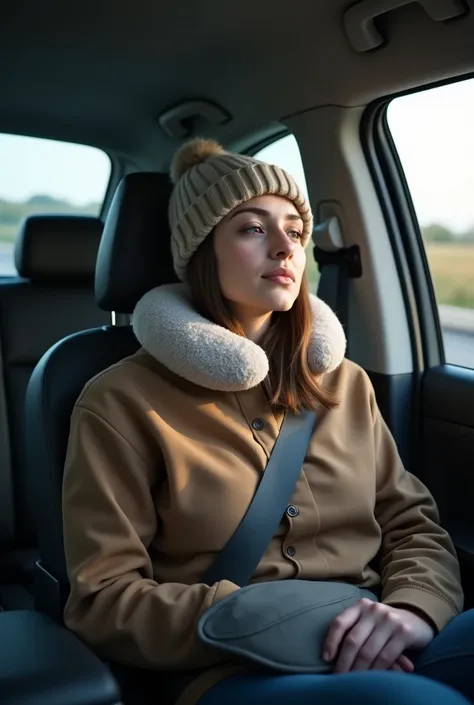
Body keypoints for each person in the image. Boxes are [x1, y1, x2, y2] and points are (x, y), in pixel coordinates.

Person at [62, 138, 474, 705]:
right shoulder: (118, 400)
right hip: (235, 667)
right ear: (204, 249)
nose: (284, 247)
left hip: (381, 631)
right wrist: (260, 619)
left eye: (295, 231)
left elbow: (411, 525)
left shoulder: (345, 383)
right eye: (253, 229)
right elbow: (102, 599)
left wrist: (411, 609)